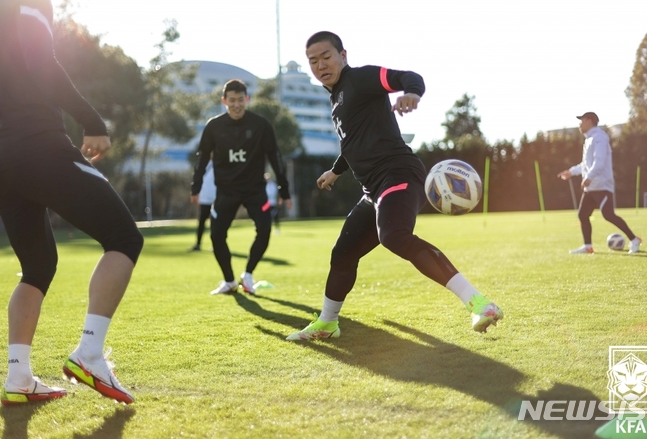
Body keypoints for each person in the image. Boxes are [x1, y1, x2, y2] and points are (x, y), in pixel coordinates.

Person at [0, 0, 143, 405]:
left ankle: (18, 377)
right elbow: (41, 63)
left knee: (38, 267)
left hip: (0, 161)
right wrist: (91, 119)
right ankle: (90, 353)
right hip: (37, 147)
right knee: (124, 237)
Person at [286, 31, 503, 341]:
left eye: (326, 57)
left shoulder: (360, 78)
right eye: (313, 61)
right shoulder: (337, 99)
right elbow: (354, 143)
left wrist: (411, 93)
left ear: (343, 55)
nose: (320, 65)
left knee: (395, 237)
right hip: (372, 190)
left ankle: (481, 303)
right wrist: (335, 172)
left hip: (398, 174)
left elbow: (410, 77)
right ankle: (327, 323)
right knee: (343, 254)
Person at [191, 79, 292, 295]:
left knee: (264, 230)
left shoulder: (261, 125)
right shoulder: (213, 126)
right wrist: (196, 186)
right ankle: (229, 281)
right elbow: (202, 159)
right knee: (216, 235)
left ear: (247, 99)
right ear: (224, 101)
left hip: (255, 190)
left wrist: (284, 189)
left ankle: (248, 274)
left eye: (240, 100)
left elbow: (275, 157)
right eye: (232, 101)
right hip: (226, 191)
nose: (236, 105)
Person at [558, 112, 641, 254]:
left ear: (589, 121)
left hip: (602, 185)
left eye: (581, 120)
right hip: (591, 187)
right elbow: (586, 164)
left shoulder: (599, 138)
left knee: (608, 215)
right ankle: (588, 247)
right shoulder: (589, 139)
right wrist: (571, 172)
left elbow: (599, 161)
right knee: (583, 215)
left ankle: (634, 240)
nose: (579, 124)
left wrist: (589, 177)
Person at [191, 160, 216, 251]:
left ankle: (216, 244)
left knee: (215, 224)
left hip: (215, 198)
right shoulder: (200, 165)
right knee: (201, 222)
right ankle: (198, 244)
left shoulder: (217, 163)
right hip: (204, 199)